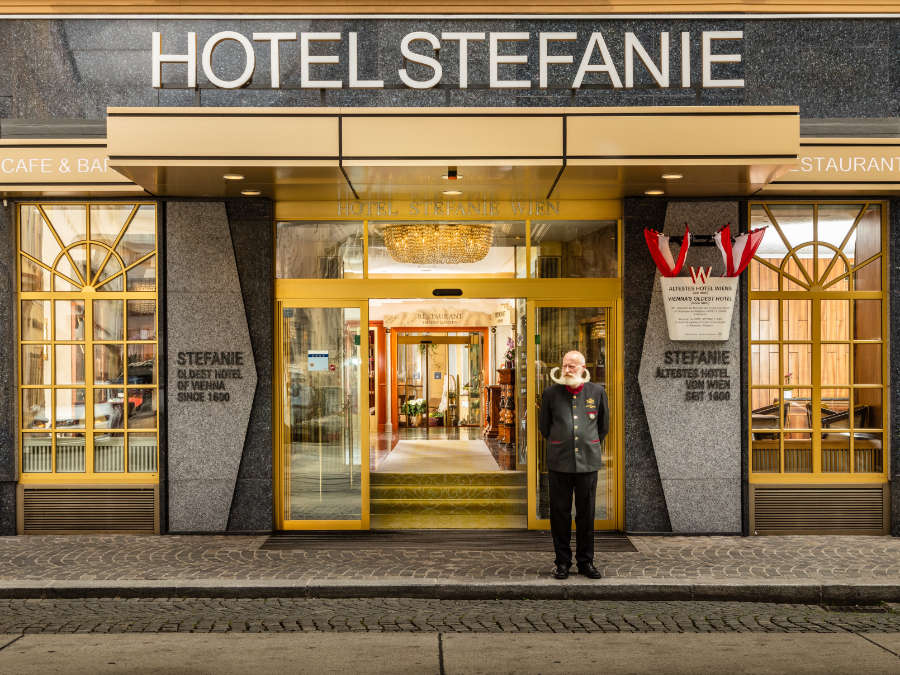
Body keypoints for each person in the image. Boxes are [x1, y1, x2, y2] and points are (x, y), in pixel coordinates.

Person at [538, 350, 610, 580]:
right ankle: (562, 562)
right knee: (560, 514)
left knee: (586, 515)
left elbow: (603, 426)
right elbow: (544, 428)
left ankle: (586, 562)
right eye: (565, 365)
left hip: (587, 463)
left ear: (583, 367)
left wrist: (589, 444)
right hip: (559, 462)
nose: (568, 370)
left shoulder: (597, 392)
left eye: (573, 366)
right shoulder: (550, 393)